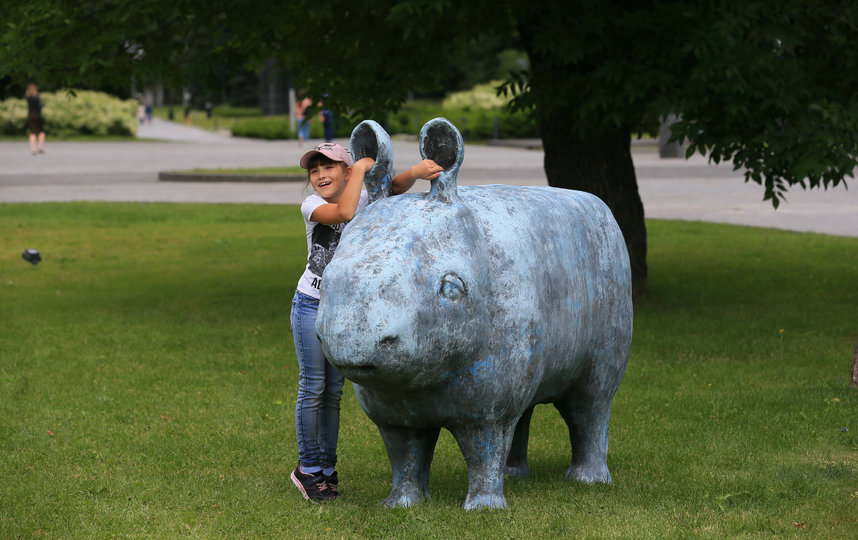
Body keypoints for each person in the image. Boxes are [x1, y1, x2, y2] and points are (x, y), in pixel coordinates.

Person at [290, 142, 443, 502]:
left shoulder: (366, 196)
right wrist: (360, 169)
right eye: (314, 171)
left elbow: (393, 187)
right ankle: (308, 468)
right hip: (311, 303)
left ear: (344, 171)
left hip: (343, 309)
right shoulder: (312, 205)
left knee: (333, 393)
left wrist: (416, 173)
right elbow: (343, 213)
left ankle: (327, 470)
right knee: (313, 388)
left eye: (329, 167)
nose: (320, 175)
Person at [25, 83, 45, 155]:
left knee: (32, 132)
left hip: (30, 115)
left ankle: (33, 149)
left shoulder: (28, 98)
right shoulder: (37, 98)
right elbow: (39, 107)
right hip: (36, 115)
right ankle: (40, 147)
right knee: (41, 132)